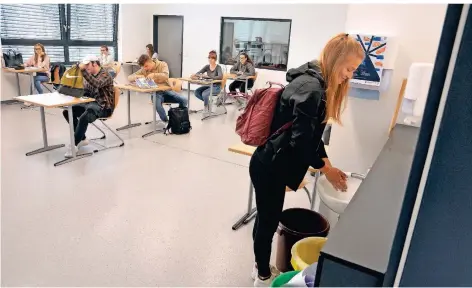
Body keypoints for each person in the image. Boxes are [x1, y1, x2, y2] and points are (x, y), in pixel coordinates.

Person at [249, 33, 364, 287]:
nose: (350, 75)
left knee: (266, 218)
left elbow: (312, 138)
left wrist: (328, 166)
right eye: (349, 68)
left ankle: (258, 265)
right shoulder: (312, 90)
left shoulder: (316, 83)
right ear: (336, 60)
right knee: (268, 222)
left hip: (271, 162)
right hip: (269, 166)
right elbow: (301, 143)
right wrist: (325, 168)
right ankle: (263, 276)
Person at [62, 55, 114, 158]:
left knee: (84, 117)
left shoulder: (105, 75)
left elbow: (97, 84)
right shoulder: (90, 75)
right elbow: (86, 91)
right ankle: (82, 139)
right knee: (68, 111)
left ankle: (74, 145)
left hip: (103, 107)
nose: (86, 68)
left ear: (94, 63)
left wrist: (83, 71)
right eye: (85, 66)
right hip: (91, 104)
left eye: (87, 65)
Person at [128, 54, 187, 123]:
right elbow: (129, 77)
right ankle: (167, 122)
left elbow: (166, 76)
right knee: (158, 106)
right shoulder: (144, 69)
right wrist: (137, 77)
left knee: (184, 100)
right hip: (156, 93)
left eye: (146, 66)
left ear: (150, 61)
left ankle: (178, 117)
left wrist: (154, 75)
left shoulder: (162, 64)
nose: (145, 68)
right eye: (143, 67)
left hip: (166, 91)